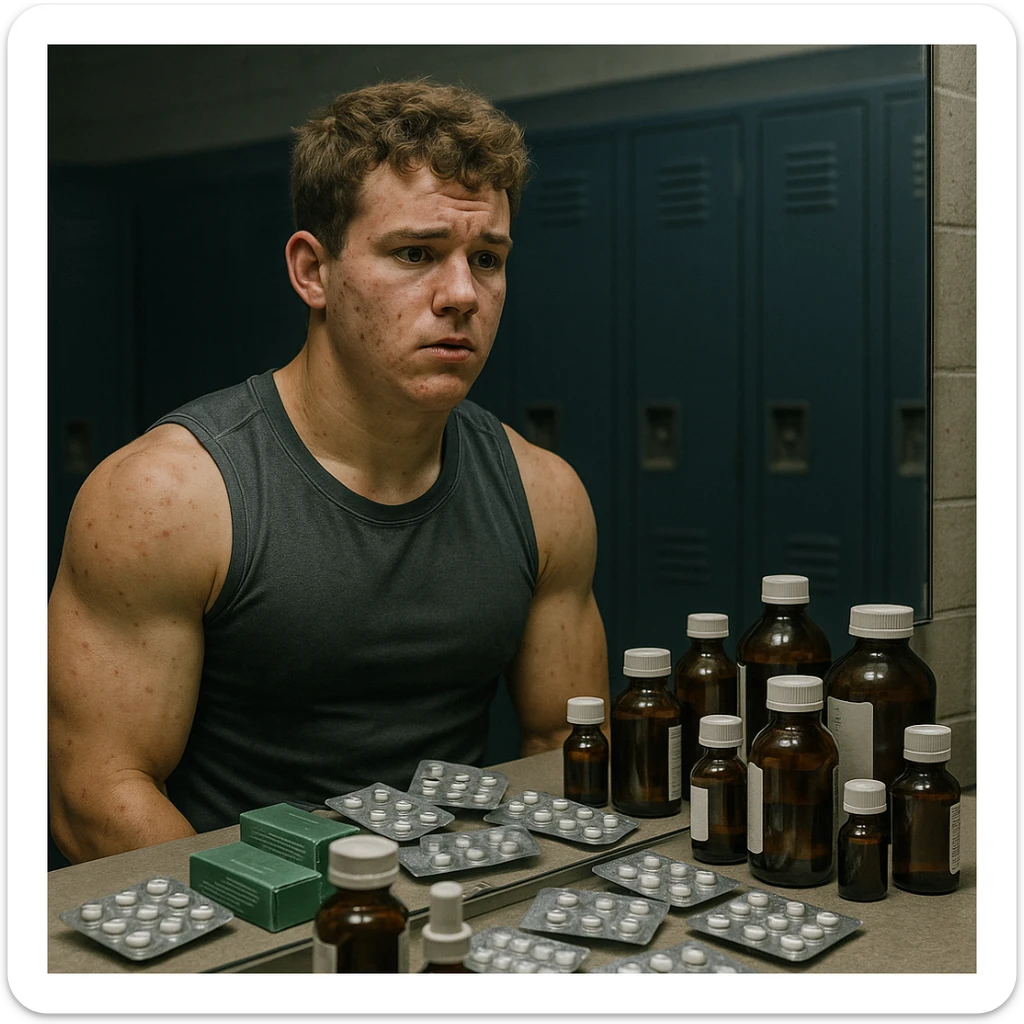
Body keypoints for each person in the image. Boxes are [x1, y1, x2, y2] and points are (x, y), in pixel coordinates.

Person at [47, 80, 610, 864]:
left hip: (459, 907)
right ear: (313, 271)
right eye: (415, 253)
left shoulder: (545, 494)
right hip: (250, 929)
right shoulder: (165, 496)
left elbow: (565, 745)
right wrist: (331, 929)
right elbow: (97, 795)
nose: (461, 295)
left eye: (487, 259)